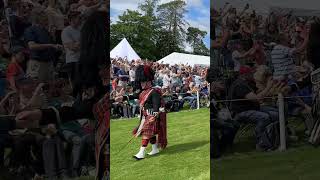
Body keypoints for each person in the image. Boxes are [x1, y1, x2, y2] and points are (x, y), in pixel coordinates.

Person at [132, 65, 167, 160]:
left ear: (148, 81)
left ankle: (141, 152)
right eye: (141, 81)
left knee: (146, 133)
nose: (141, 83)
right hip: (145, 116)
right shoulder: (143, 91)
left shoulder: (154, 91)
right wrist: (122, 97)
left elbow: (156, 104)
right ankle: (155, 149)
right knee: (150, 133)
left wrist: (155, 115)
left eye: (143, 81)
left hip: (152, 115)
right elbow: (134, 95)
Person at [24, 8, 62, 82]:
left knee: (49, 87)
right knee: (36, 87)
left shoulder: (46, 31)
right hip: (37, 63)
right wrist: (51, 45)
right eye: (43, 15)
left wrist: (54, 42)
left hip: (49, 63)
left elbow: (52, 45)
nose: (46, 18)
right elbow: (32, 46)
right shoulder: (31, 30)